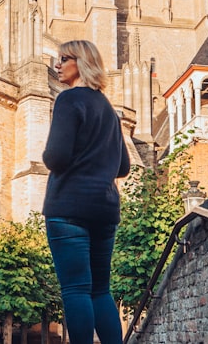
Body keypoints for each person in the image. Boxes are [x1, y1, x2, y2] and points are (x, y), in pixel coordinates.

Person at [42, 40, 131, 344]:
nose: (57, 64)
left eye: (63, 59)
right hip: (104, 211)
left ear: (80, 63)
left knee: (76, 289)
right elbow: (123, 167)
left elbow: (56, 158)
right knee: (100, 290)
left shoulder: (69, 101)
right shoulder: (109, 110)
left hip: (68, 208)